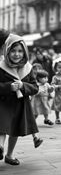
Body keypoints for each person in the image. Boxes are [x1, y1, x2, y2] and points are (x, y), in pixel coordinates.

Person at [0, 34, 39, 165]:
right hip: (4, 103)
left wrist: (23, 86)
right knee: (2, 127)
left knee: (14, 130)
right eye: (13, 51)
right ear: (7, 51)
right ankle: (0, 147)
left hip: (20, 104)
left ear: (25, 52)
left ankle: (9, 155)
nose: (17, 54)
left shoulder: (28, 68)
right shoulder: (1, 66)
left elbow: (35, 87)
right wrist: (8, 87)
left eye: (20, 51)